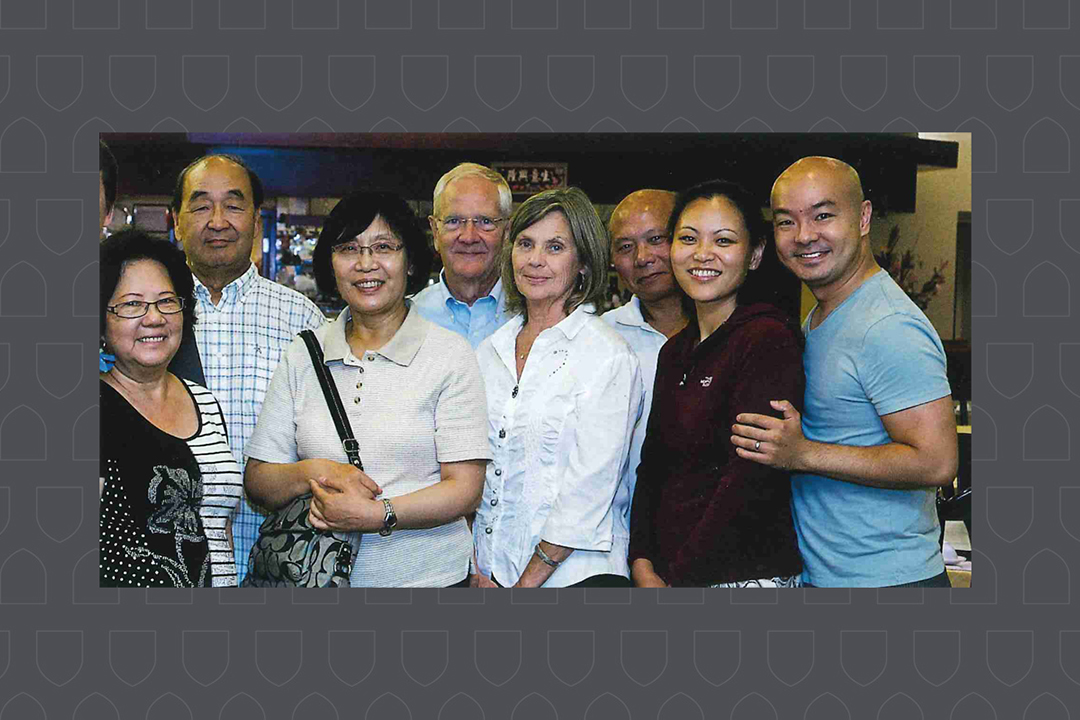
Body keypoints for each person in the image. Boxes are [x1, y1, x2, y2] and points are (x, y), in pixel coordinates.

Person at [243, 190, 490, 587]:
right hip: (315, 583)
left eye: (383, 247)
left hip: (430, 582)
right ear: (331, 262)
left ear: (409, 262)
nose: (365, 264)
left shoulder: (449, 355)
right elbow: (259, 479)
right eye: (348, 249)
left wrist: (379, 515)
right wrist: (317, 470)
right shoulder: (304, 354)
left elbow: (465, 490)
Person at [731, 156, 957, 588]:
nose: (804, 236)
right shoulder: (821, 316)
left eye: (823, 215)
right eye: (785, 222)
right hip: (828, 576)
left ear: (864, 217)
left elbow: (937, 461)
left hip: (887, 583)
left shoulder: (888, 325)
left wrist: (803, 453)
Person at [629, 180, 805, 588]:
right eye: (688, 238)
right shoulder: (674, 352)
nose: (702, 254)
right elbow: (652, 466)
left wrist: (679, 579)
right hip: (665, 575)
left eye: (723, 240)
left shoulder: (767, 338)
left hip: (742, 577)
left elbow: (748, 478)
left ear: (755, 255)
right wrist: (640, 560)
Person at [473, 187, 643, 588]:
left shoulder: (607, 355)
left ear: (582, 263)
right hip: (488, 575)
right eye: (526, 244)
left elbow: (588, 492)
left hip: (577, 577)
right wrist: (476, 569)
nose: (535, 260)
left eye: (554, 247)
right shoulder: (489, 350)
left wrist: (524, 586)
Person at [170, 154, 325, 583]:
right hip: (172, 560)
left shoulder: (303, 320)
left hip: (278, 560)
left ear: (257, 221)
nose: (217, 220)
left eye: (234, 205)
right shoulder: (151, 315)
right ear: (177, 221)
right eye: (200, 206)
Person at [99, 229, 242, 587]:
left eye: (167, 301)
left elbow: (218, 527)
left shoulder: (204, 401)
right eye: (132, 304)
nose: (154, 318)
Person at [602, 189, 689, 519]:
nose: (642, 257)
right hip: (621, 537)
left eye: (656, 239)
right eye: (625, 247)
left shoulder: (732, 331)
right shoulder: (601, 339)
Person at [412, 163, 513, 348]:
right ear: (435, 232)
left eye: (485, 221)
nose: (469, 237)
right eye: (454, 221)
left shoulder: (531, 315)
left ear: (506, 233)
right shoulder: (409, 319)